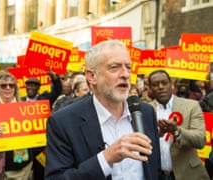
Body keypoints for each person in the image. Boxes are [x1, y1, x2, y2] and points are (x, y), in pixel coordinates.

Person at [45, 40, 161, 180]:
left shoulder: (146, 112)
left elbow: (154, 170)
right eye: (114, 67)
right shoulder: (63, 122)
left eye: (128, 67)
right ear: (92, 76)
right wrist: (106, 158)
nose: (125, 74)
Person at [147, 70, 210, 180]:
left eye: (164, 83)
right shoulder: (145, 110)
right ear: (150, 89)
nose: (160, 87)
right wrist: (156, 136)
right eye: (155, 85)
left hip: (187, 174)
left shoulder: (191, 106)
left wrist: (177, 131)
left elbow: (200, 140)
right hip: (156, 175)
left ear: (171, 85)